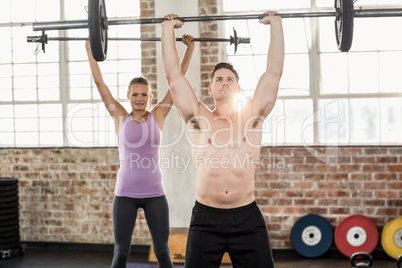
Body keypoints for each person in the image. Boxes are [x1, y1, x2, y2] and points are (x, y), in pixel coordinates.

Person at [161, 11, 284, 268]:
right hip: (206, 219)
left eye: (230, 79)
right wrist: (167, 29)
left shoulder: (252, 116)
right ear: (211, 88)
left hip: (247, 217)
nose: (224, 83)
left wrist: (276, 25)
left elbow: (273, 73)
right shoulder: (198, 117)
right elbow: (174, 77)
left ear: (238, 87)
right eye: (219, 79)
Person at [85, 32, 195, 268]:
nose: (139, 98)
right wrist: (91, 48)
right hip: (124, 195)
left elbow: (177, 82)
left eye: (144, 94)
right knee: (121, 253)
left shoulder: (158, 115)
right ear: (128, 96)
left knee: (163, 251)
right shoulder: (119, 117)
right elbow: (100, 84)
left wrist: (190, 50)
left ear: (149, 97)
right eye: (135, 94)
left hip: (155, 194)